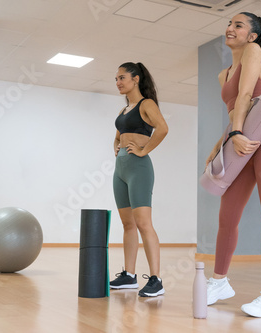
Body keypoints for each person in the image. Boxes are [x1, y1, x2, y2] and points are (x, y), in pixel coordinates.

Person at [204, 12, 261, 317]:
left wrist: (238, 134)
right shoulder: (222, 74)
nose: (230, 28)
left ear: (252, 36)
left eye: (238, 25)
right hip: (240, 142)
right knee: (227, 217)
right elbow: (234, 111)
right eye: (229, 23)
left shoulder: (254, 53)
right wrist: (223, 142)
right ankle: (219, 282)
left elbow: (246, 95)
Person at [110, 62, 168, 297]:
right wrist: (116, 145)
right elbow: (118, 135)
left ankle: (156, 280)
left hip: (139, 168)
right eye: (116, 79)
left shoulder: (146, 104)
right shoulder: (124, 110)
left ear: (136, 79)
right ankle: (130, 276)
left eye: (122, 77)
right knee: (127, 224)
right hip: (121, 168)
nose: (118, 82)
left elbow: (162, 129)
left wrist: (144, 150)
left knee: (144, 223)